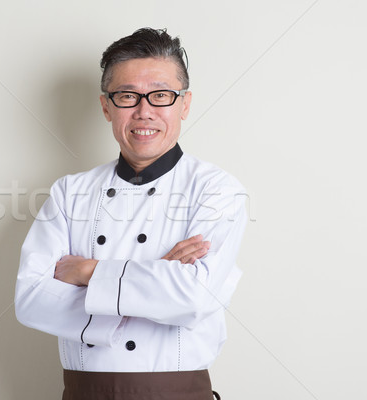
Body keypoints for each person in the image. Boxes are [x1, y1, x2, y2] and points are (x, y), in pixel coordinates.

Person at [15, 27, 248, 400]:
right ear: (106, 106)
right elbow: (30, 301)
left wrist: (88, 272)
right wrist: (157, 280)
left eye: (161, 96)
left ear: (184, 104)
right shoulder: (68, 192)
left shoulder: (217, 189)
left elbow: (194, 298)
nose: (144, 112)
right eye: (127, 96)